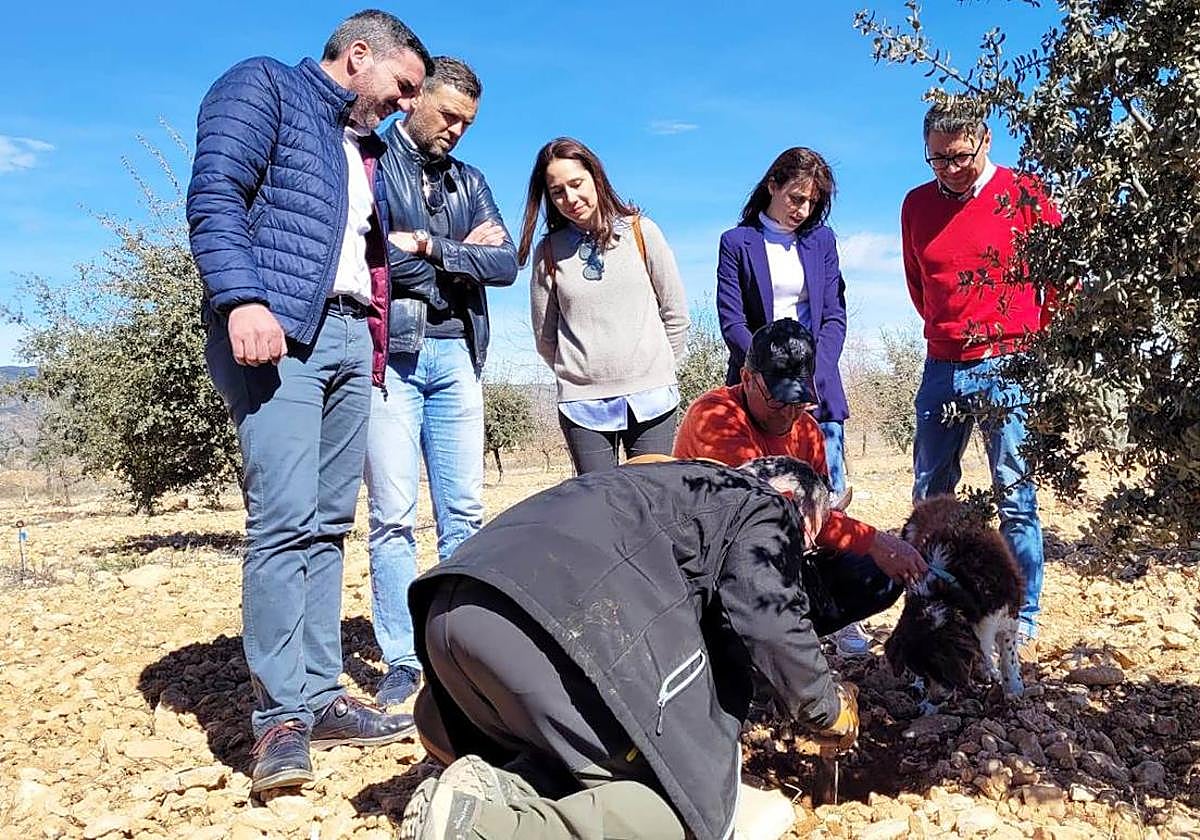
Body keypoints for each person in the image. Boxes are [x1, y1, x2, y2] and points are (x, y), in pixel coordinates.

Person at [186, 11, 432, 794]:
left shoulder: (365, 147)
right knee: (284, 520)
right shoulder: (263, 85)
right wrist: (239, 297)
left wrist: (374, 337)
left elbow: (362, 252)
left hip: (350, 336)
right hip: (277, 329)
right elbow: (216, 191)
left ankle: (321, 698)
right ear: (359, 56)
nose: (403, 106)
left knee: (330, 524)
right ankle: (278, 721)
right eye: (401, 88)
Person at [398, 455, 868, 840]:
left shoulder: (663, 483)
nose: (796, 555)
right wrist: (824, 708)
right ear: (791, 500)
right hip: (544, 627)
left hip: (449, 613)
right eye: (805, 541)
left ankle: (495, 786)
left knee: (594, 764)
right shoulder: (760, 503)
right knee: (684, 809)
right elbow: (770, 623)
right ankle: (483, 827)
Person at [365, 56, 518, 710]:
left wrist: (432, 248)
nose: (457, 130)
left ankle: (458, 645)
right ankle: (401, 656)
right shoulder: (371, 162)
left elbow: (507, 262)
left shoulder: (471, 181)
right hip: (393, 354)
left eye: (468, 122)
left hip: (457, 356)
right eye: (449, 115)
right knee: (393, 515)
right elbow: (380, 259)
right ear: (415, 99)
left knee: (465, 513)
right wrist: (457, 258)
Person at [901, 99, 1061, 643]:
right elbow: (919, 285)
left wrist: (1035, 338)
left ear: (986, 140)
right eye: (937, 160)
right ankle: (935, 599)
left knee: (1014, 494)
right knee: (931, 490)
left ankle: (1024, 614)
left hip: (1010, 362)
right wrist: (948, 331)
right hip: (943, 363)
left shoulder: (1025, 194)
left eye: (960, 156)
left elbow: (1058, 274)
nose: (949, 169)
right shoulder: (916, 205)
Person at [674, 318, 926, 654]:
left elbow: (816, 516)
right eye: (777, 400)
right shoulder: (715, 417)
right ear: (747, 378)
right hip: (715, 568)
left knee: (878, 574)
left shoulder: (808, 431)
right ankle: (736, 647)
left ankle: (785, 643)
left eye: (798, 400)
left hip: (781, 560)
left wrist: (855, 541)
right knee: (874, 551)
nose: (788, 414)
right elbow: (762, 513)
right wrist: (873, 540)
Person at [518, 137, 689, 474]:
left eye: (576, 184)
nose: (570, 198)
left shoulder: (643, 232)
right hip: (581, 405)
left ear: (595, 177)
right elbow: (545, 337)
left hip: (653, 398)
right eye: (557, 192)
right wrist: (583, 374)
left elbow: (676, 314)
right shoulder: (549, 252)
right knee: (598, 509)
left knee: (654, 501)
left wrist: (658, 368)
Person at [716, 148, 851, 498]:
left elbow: (834, 315)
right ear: (773, 185)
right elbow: (733, 322)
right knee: (756, 502)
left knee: (828, 503)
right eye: (796, 198)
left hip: (818, 391)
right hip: (757, 396)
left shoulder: (822, 241)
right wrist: (770, 381)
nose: (803, 210)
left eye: (812, 202)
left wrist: (812, 377)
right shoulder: (736, 243)